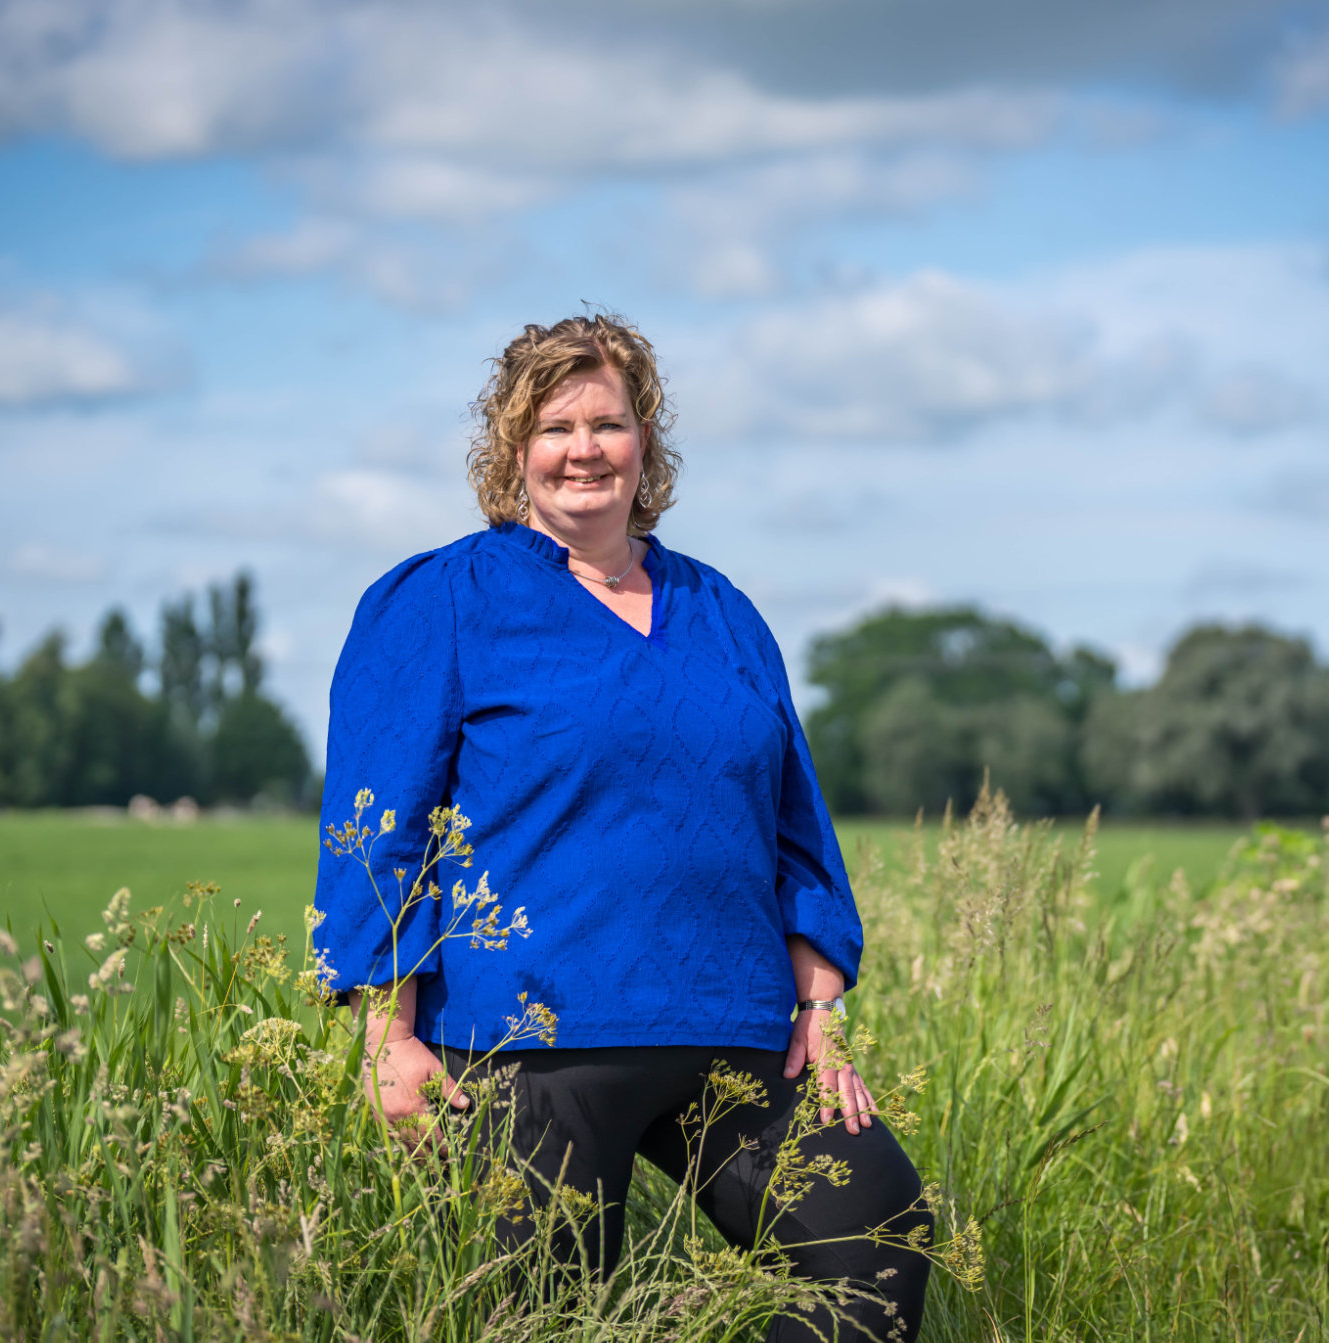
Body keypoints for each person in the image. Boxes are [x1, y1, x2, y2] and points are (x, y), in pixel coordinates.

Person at [312, 313, 932, 1340]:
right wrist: (388, 1034)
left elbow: (794, 819)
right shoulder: (445, 600)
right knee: (555, 1322)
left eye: (607, 423)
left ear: (646, 442)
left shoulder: (720, 610)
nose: (583, 449)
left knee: (879, 1242)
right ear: (514, 448)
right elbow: (377, 824)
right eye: (555, 426)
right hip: (531, 1041)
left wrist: (820, 1006)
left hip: (733, 1026)